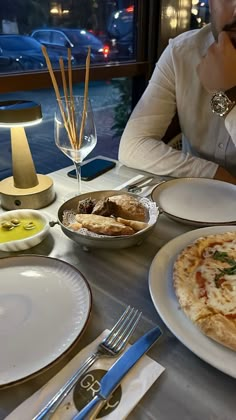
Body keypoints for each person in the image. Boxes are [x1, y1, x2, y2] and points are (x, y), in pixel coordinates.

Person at [118, 0, 236, 184]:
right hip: (192, 198)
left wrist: (230, 92)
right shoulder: (181, 53)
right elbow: (132, 145)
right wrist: (215, 174)